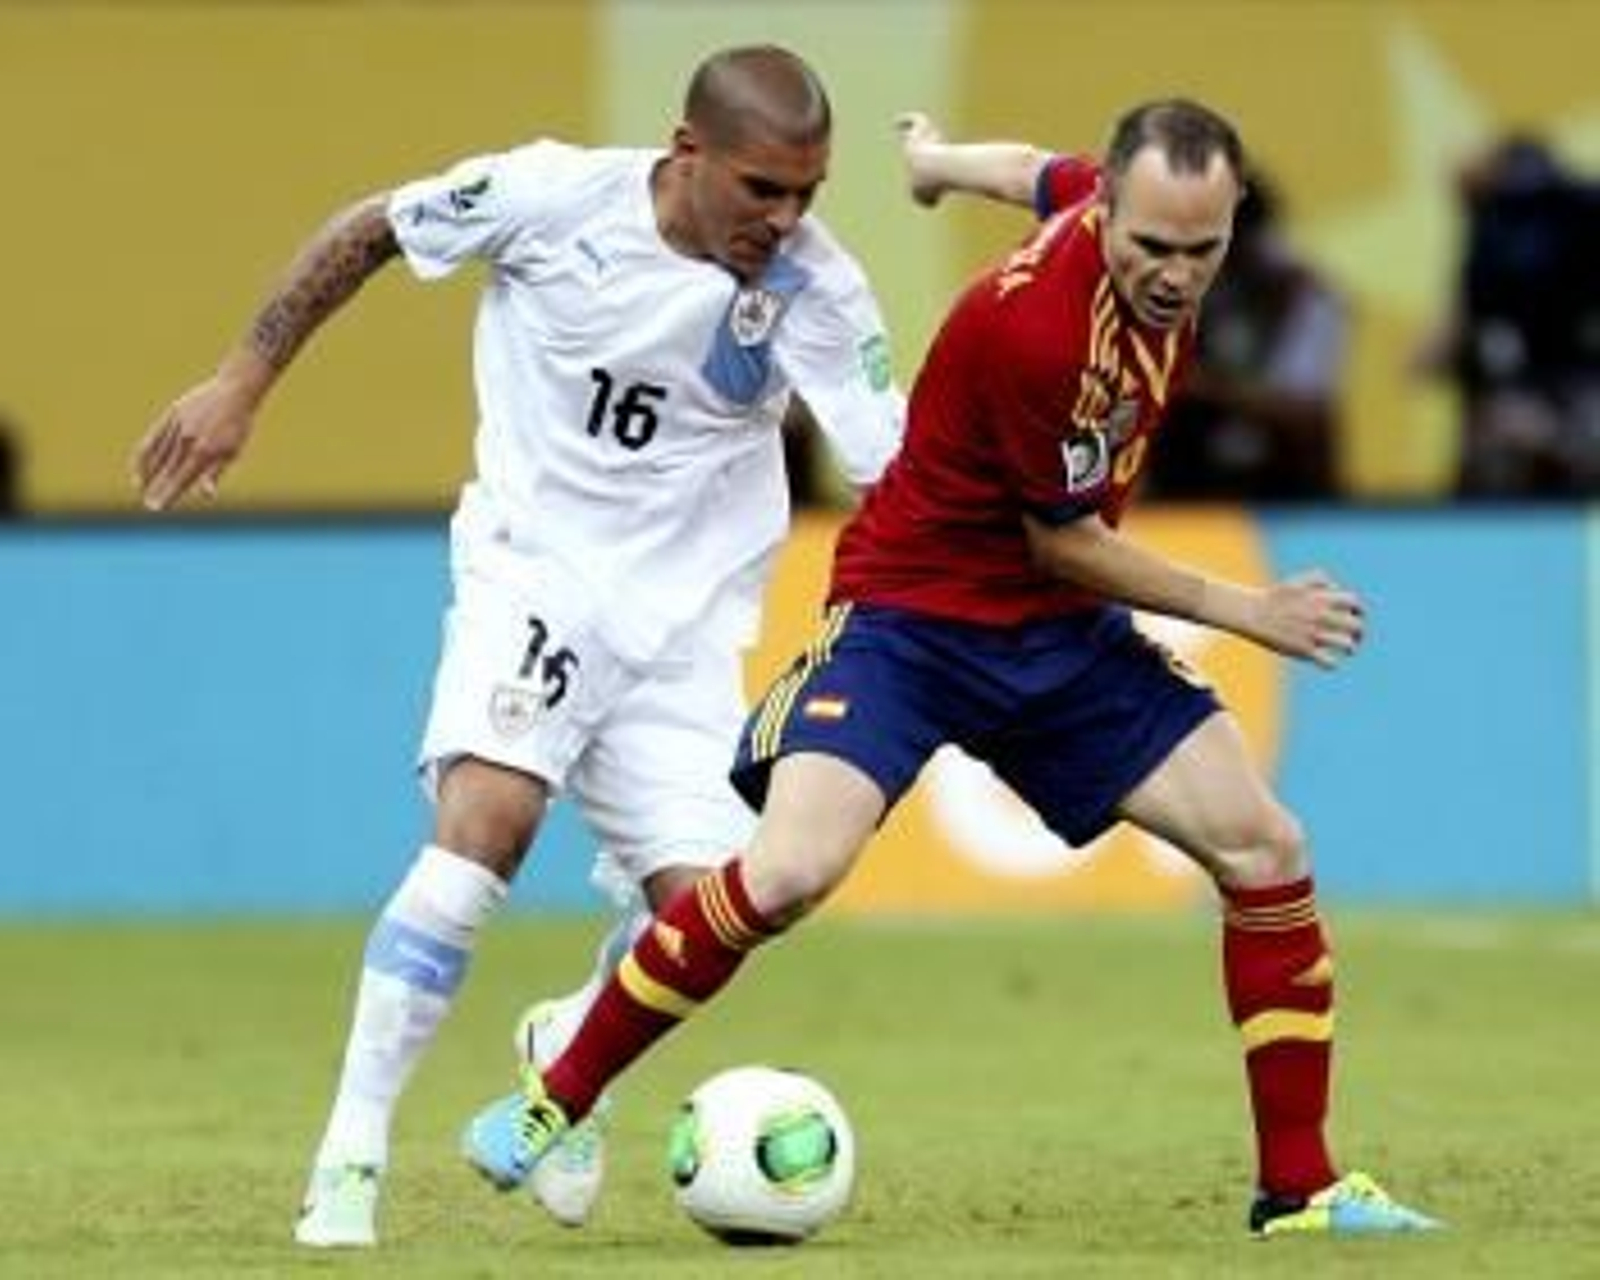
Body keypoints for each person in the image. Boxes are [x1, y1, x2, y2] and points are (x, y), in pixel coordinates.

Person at [462, 101, 1441, 1239]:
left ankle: (1301, 1189)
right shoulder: (1036, 332)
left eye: (1203, 248)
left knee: (1265, 848)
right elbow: (1061, 538)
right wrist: (1247, 608)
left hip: (1054, 637)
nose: (1176, 274)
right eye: (1154, 248)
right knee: (785, 874)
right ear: (1111, 212)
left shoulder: (1114, 200)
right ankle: (554, 1098)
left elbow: (1031, 168)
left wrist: (933, 165)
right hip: (913, 618)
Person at [130, 44, 903, 1248]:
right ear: (686, 152)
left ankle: (564, 1041)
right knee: (487, 822)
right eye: (762, 189)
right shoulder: (554, 196)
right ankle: (349, 1159)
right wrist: (242, 378)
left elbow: (895, 476)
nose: (786, 218)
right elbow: (372, 227)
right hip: (536, 570)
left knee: (713, 915)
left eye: (808, 191)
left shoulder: (817, 287)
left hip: (687, 626)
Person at [1413, 134, 1600, 497]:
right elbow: (1428, 358)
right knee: (1501, 442)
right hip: (1516, 403)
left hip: (1579, 401)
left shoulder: (1579, 235)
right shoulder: (1487, 256)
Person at [1143, 175, 1346, 500]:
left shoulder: (1309, 298)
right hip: (1190, 486)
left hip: (1289, 491)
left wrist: (1213, 390)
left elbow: (1305, 414)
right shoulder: (1180, 289)